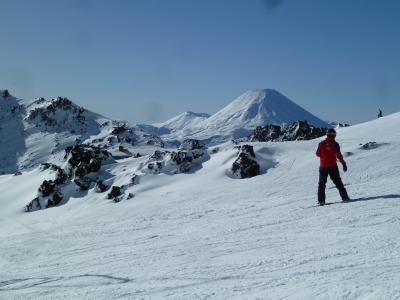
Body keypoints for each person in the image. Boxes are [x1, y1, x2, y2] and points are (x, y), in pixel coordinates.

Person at [316, 128, 350, 206]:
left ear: (327, 134)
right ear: (334, 135)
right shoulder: (335, 144)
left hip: (323, 166)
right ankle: (345, 197)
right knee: (338, 182)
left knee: (322, 184)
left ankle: (321, 201)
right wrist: (343, 164)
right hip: (332, 166)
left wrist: (324, 156)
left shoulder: (321, 143)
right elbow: (339, 155)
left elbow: (317, 154)